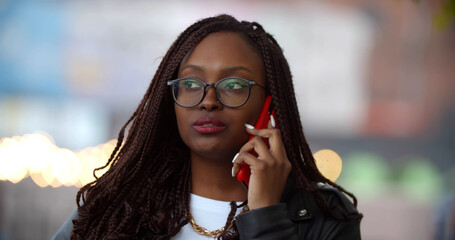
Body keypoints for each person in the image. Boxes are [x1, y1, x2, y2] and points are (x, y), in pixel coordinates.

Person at [53, 14, 362, 240]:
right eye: (190, 83)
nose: (208, 101)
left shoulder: (326, 216)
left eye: (234, 84)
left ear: (270, 106)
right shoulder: (115, 204)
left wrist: (266, 218)